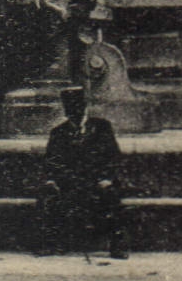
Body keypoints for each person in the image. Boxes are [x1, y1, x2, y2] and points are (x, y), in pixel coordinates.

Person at [37, 85, 126, 258]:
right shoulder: (58, 133)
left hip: (97, 180)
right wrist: (51, 179)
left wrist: (107, 177)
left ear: (85, 108)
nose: (75, 114)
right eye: (70, 110)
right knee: (47, 195)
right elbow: (51, 161)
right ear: (66, 112)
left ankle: (118, 245)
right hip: (70, 182)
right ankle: (49, 244)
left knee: (110, 195)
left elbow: (113, 156)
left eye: (78, 109)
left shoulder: (102, 127)